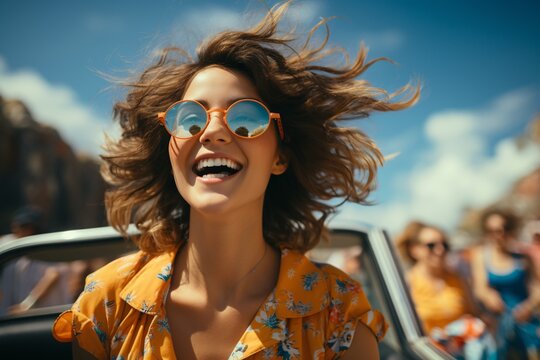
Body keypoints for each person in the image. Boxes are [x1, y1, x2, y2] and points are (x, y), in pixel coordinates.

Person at [52, 2, 419, 358]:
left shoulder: (337, 312)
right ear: (169, 148)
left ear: (279, 157)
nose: (212, 132)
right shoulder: (108, 300)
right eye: (189, 119)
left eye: (245, 118)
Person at [395, 221, 496, 359]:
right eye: (431, 245)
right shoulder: (407, 284)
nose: (440, 250)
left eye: (445, 245)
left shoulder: (458, 279)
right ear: (415, 250)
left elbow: (474, 313)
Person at [471, 209, 540, 360]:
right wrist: (489, 297)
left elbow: (537, 287)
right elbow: (480, 289)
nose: (499, 235)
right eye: (493, 231)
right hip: (500, 327)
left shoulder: (522, 257)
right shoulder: (481, 256)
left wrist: (529, 306)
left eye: (503, 229)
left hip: (527, 322)